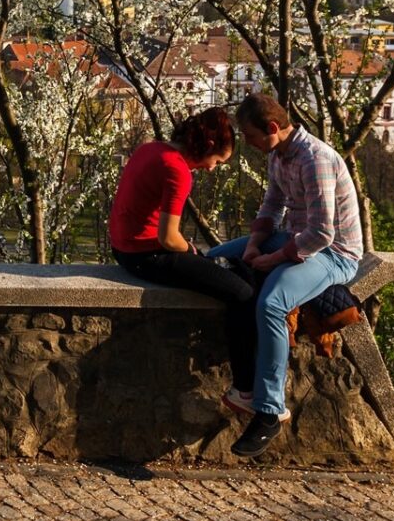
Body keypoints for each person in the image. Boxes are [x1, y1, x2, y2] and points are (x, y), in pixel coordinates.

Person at [208, 91, 366, 459]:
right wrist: (254, 245)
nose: (245, 142)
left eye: (249, 134)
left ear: (273, 128)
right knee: (213, 261)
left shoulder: (315, 160)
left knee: (273, 303)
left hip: (333, 253)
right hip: (293, 238)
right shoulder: (279, 156)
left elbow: (323, 233)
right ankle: (245, 380)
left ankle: (269, 409)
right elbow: (272, 206)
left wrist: (274, 258)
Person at [108, 107, 260, 416]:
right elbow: (168, 238)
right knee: (242, 293)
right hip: (146, 255)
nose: (213, 169)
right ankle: (245, 388)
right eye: (217, 161)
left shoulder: (151, 148)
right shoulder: (176, 170)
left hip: (124, 248)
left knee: (234, 269)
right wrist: (190, 249)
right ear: (205, 147)